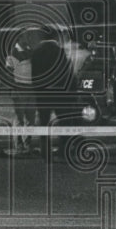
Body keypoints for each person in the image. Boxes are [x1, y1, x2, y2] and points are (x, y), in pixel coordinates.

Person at [30, 26, 75, 157]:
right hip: (59, 93)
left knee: (44, 122)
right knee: (63, 120)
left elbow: (34, 77)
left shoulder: (36, 52)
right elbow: (65, 74)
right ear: (55, 37)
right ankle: (63, 149)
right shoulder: (59, 52)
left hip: (42, 93)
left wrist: (38, 91)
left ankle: (45, 151)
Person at [5, 36, 35, 154]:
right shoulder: (13, 53)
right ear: (18, 39)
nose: (27, 39)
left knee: (30, 118)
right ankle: (18, 144)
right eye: (24, 37)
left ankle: (27, 144)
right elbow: (8, 73)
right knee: (19, 118)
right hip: (19, 88)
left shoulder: (29, 51)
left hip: (30, 88)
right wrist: (13, 88)